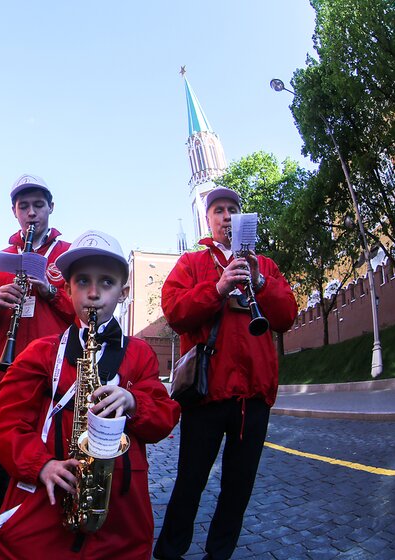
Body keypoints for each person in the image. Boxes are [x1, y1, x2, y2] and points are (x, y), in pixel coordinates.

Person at [0, 230, 180, 559]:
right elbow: (3, 423)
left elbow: (163, 419)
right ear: (68, 289)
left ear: (123, 290)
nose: (93, 293)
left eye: (106, 283)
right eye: (82, 282)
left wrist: (134, 403)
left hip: (121, 513)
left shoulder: (141, 353)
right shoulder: (40, 352)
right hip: (50, 497)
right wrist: (40, 465)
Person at [154, 187, 298, 560]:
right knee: (190, 482)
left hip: (254, 396)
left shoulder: (264, 264)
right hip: (205, 394)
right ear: (209, 220)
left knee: (238, 488)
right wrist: (217, 288)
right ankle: (170, 552)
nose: (226, 216)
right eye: (218, 210)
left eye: (232, 209)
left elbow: (286, 317)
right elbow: (175, 312)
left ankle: (219, 554)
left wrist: (260, 282)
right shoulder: (191, 262)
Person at [0, 174, 75, 559]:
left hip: (52, 378)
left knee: (43, 462)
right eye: (23, 206)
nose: (31, 213)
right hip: (0, 373)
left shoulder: (68, 254)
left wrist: (49, 290)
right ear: (14, 212)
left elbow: (83, 311)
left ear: (50, 209)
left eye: (37, 205)